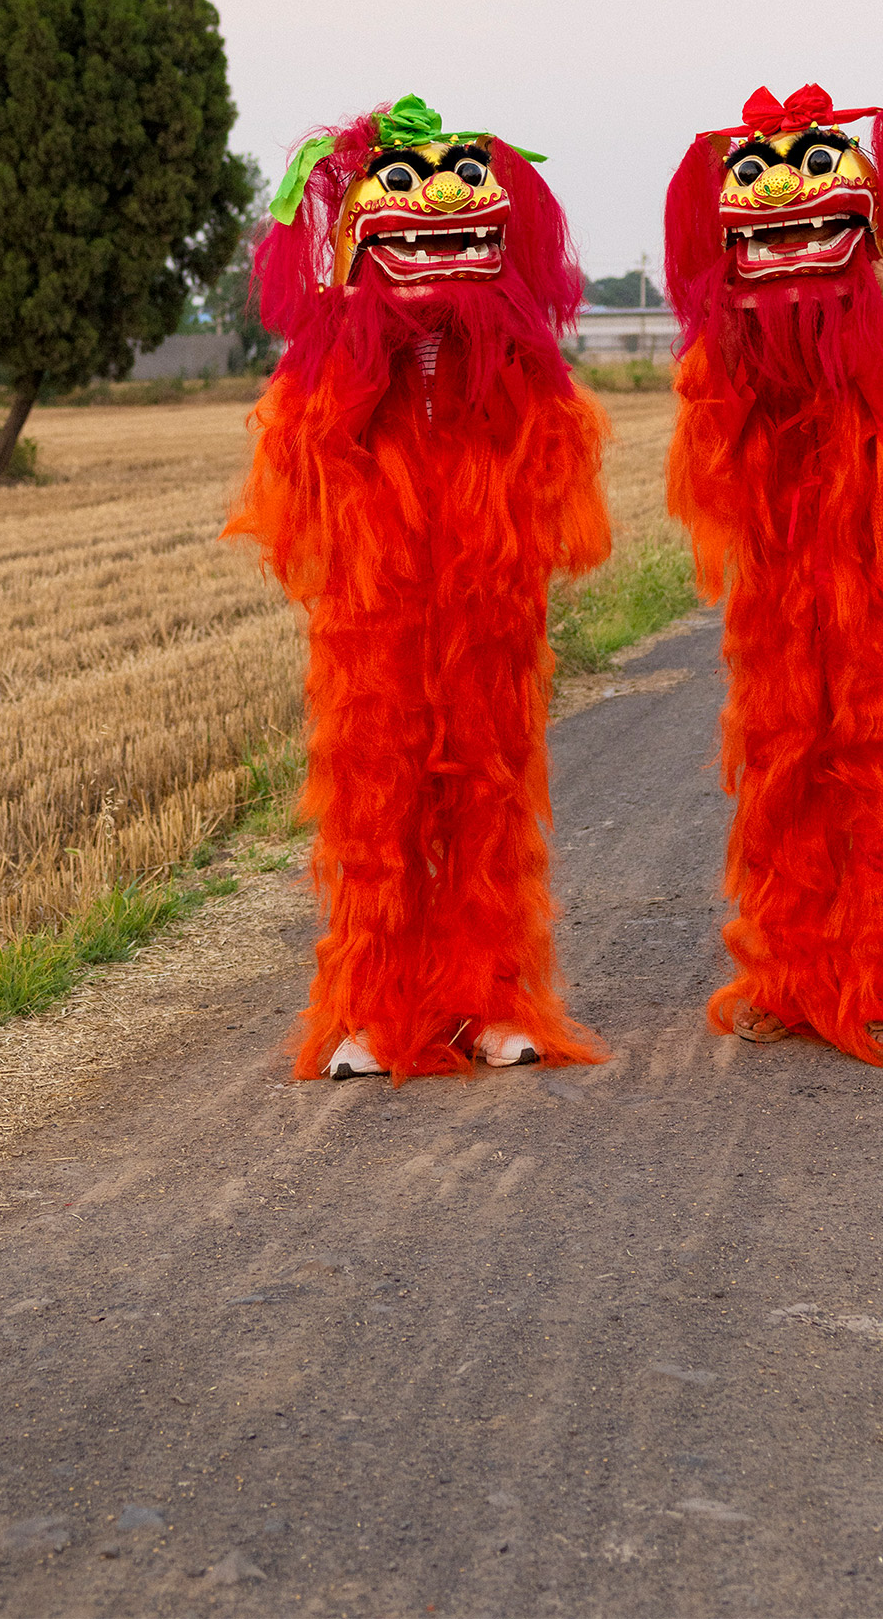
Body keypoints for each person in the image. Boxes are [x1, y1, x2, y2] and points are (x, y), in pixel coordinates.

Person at [225, 95, 610, 1081]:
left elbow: (554, 461)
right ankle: (368, 1004)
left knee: (487, 796)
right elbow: (299, 476)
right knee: (374, 807)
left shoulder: (514, 360)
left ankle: (490, 997)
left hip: (486, 611)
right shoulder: (335, 361)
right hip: (375, 617)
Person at [663, 83, 883, 1064]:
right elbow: (718, 452)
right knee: (782, 780)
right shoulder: (746, 345)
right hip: (778, 601)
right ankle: (787, 974)